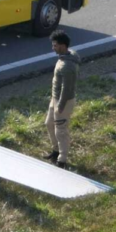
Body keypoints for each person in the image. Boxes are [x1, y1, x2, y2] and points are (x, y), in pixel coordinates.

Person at [44, 29, 80, 168]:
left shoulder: (67, 66)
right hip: (55, 99)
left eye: (55, 45)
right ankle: (55, 150)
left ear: (63, 46)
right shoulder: (66, 56)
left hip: (63, 101)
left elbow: (67, 88)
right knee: (49, 123)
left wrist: (60, 105)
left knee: (61, 130)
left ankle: (62, 159)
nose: (53, 48)